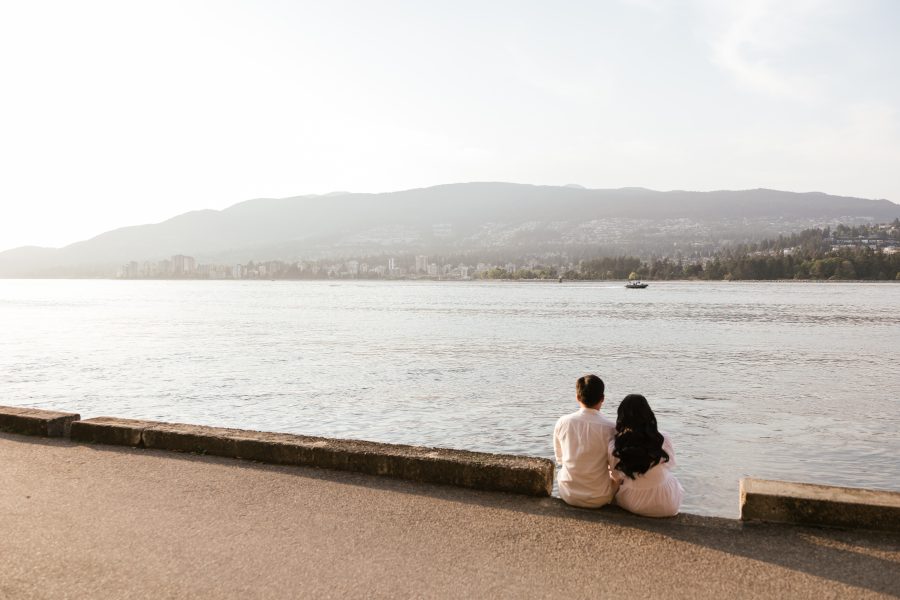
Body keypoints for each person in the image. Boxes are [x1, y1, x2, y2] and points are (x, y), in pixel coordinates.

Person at [608, 394, 683, 517]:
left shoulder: (615, 445)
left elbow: (616, 476)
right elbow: (670, 464)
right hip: (668, 504)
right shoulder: (662, 439)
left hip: (633, 503)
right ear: (648, 415)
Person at [553, 374, 617, 508]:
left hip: (568, 494)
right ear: (602, 398)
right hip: (599, 498)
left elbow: (560, 459)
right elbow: (615, 467)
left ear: (577, 397)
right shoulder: (611, 428)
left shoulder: (562, 422)